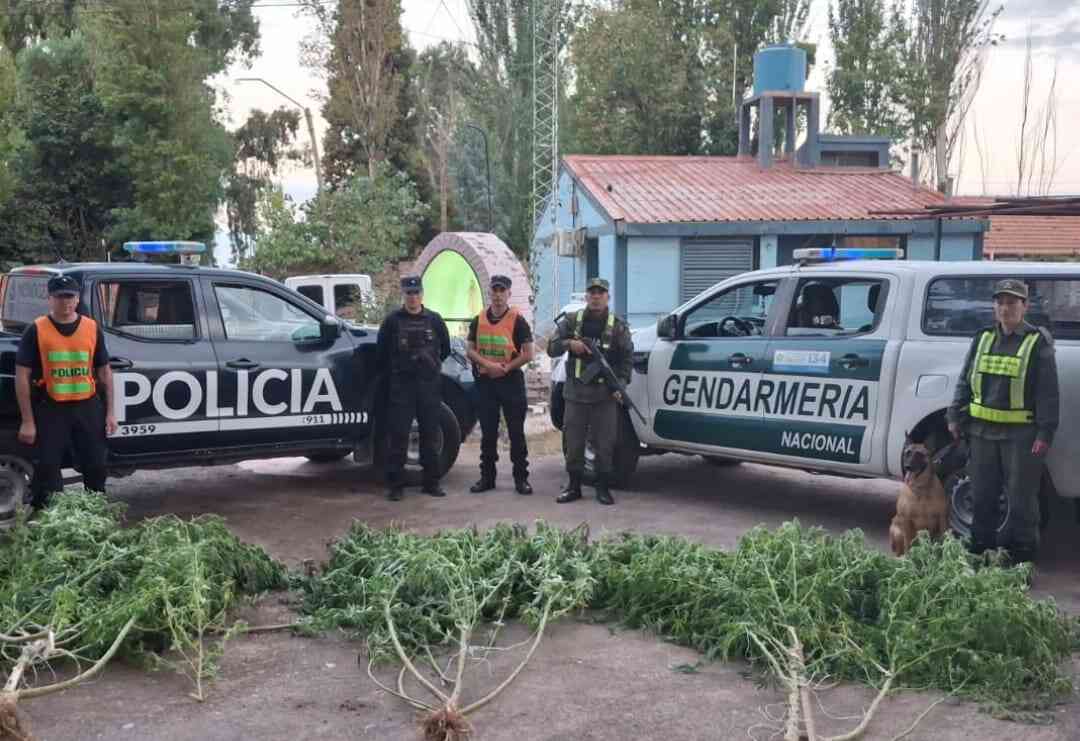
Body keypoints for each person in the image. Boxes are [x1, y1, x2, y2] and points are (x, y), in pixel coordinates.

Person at [947, 279, 1059, 564]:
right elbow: (965, 380)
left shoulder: (1036, 342)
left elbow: (1048, 392)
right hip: (982, 434)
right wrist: (954, 416)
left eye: (1012, 302)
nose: (1005, 308)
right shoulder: (983, 337)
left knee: (1022, 503)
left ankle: (1021, 560)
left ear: (1025, 306)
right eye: (1000, 302)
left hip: (1021, 437)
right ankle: (979, 553)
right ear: (994, 306)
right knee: (982, 498)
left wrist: (1044, 435)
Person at [15, 274, 117, 508]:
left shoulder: (91, 328)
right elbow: (22, 376)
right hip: (51, 407)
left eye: (69, 296)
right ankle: (52, 520)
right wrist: (27, 421)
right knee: (48, 468)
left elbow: (105, 372)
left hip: (87, 406)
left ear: (78, 298)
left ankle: (94, 514)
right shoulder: (36, 329)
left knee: (96, 466)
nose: (65, 302)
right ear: (49, 299)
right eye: (59, 297)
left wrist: (111, 412)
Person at [547, 277, 633, 506]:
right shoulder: (572, 321)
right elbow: (551, 348)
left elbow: (626, 360)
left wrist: (620, 385)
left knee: (605, 444)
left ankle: (602, 488)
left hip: (604, 397)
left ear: (608, 297)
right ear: (586, 296)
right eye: (592, 292)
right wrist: (569, 345)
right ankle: (573, 486)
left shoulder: (618, 326)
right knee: (574, 443)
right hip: (575, 395)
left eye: (600, 293)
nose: (596, 297)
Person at [376, 276, 452, 501]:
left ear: (422, 294)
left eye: (416, 292)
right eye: (409, 293)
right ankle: (396, 486)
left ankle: (432, 483)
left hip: (428, 385)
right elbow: (382, 354)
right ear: (403, 295)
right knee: (399, 436)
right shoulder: (392, 321)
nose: (413, 297)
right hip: (402, 386)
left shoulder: (435, 320)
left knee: (429, 435)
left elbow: (444, 349)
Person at [465, 274, 534, 495]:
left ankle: (521, 479)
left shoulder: (518, 320)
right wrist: (487, 364)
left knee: (516, 433)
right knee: (488, 433)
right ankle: (487, 478)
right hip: (486, 382)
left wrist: (505, 368)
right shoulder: (479, 319)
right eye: (494, 291)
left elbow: (528, 354)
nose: (497, 295)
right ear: (489, 293)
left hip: (510, 381)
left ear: (508, 294)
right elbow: (470, 349)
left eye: (501, 291)